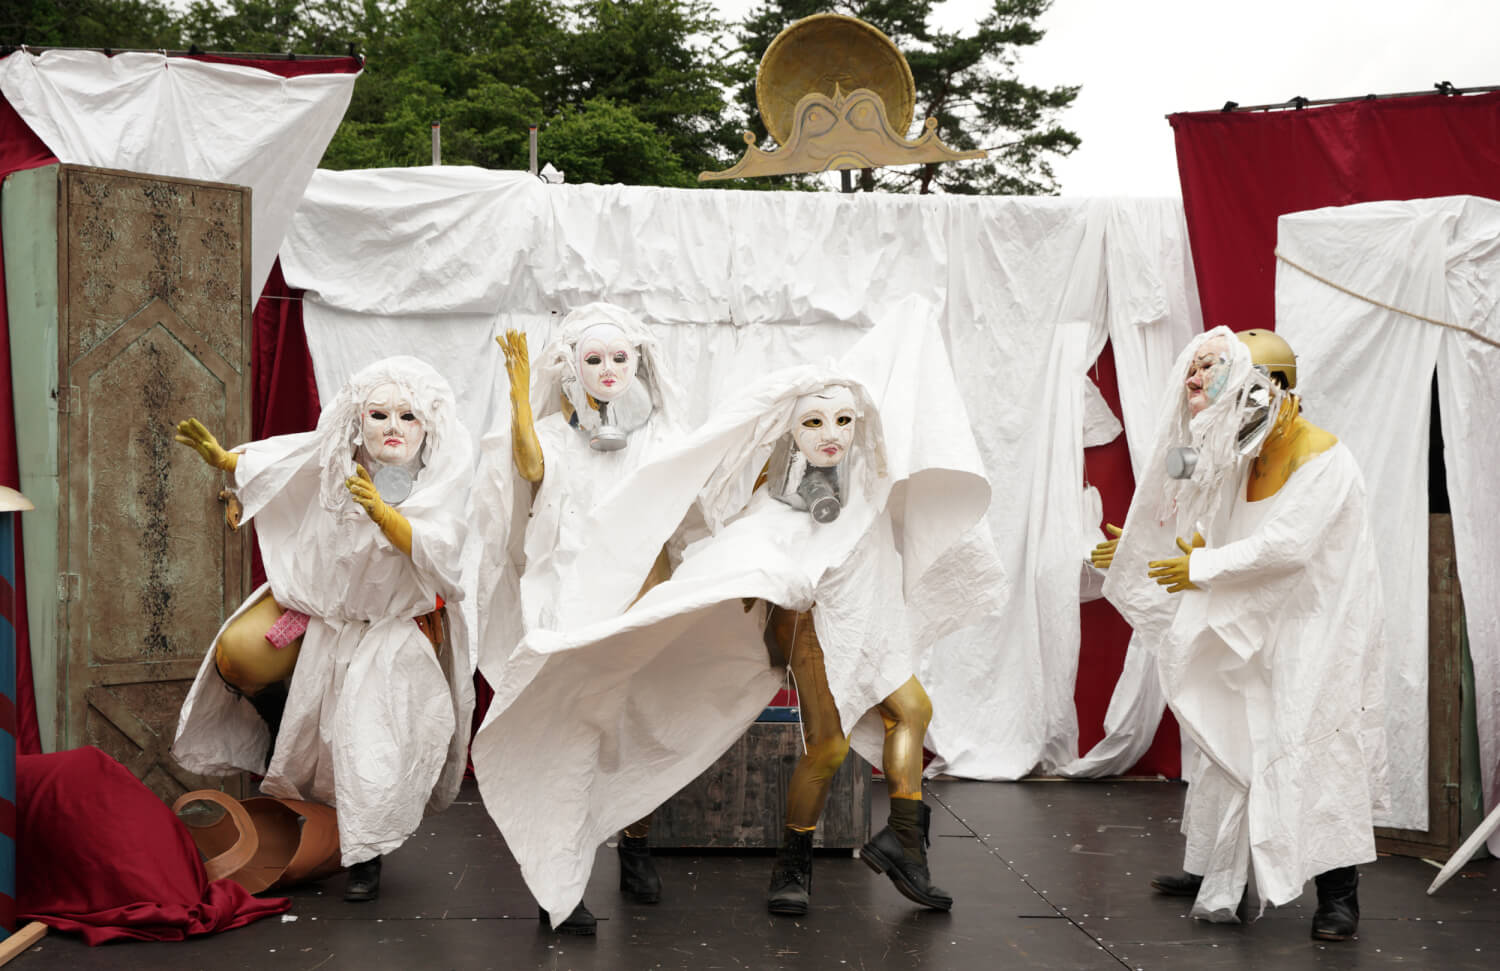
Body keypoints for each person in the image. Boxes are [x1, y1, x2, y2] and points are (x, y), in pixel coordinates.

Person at [1096, 327, 1386, 941]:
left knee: (1314, 743)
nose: (1197, 382)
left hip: (1311, 625)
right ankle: (1213, 869)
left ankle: (1339, 897)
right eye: (1194, 371)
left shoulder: (1324, 456)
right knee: (1224, 741)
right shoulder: (1241, 448)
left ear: (1270, 388)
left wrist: (1198, 568)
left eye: (1211, 372)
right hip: (1249, 618)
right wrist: (1139, 554)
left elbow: (1287, 546)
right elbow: (1198, 504)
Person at [172, 356, 475, 904]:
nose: (392, 428)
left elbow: (443, 554)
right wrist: (229, 462)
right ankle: (280, 739)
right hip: (324, 619)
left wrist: (388, 517)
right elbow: (284, 462)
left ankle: (367, 855)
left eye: (408, 417)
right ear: (359, 420)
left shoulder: (438, 482)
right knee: (245, 660)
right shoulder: (333, 461)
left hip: (392, 631)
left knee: (367, 741)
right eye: (379, 415)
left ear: (428, 426)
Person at [479, 303, 690, 935]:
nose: (607, 369)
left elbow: (695, 503)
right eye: (592, 359)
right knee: (570, 745)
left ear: (638, 363)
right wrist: (520, 398)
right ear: (571, 368)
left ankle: (637, 847)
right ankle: (559, 881)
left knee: (635, 734)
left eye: (618, 358)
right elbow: (531, 467)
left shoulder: (662, 440)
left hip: (638, 617)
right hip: (570, 613)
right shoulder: (552, 437)